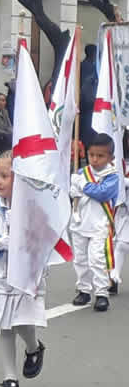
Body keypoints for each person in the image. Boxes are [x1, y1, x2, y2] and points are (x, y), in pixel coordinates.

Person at [0, 152, 47, 387]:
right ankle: (9, 377)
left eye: (6, 176)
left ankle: (33, 347)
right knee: (5, 325)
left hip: (25, 276)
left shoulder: (32, 209)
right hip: (0, 276)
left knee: (22, 321)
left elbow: (45, 240)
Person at [69, 133, 119, 312]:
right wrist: (73, 189)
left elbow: (102, 193)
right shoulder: (82, 173)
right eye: (92, 155)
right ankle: (84, 289)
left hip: (100, 225)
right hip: (80, 223)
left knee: (96, 259)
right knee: (80, 259)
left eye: (101, 156)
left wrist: (81, 186)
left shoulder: (112, 176)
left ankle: (101, 293)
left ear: (110, 157)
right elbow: (74, 193)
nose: (95, 159)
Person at [111, 135, 129, 295]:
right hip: (123, 208)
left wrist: (123, 182)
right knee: (121, 244)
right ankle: (113, 277)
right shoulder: (120, 160)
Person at [80, 44, 99, 146]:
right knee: (89, 133)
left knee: (84, 133)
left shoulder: (81, 66)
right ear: (93, 53)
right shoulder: (93, 68)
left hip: (82, 104)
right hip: (90, 105)